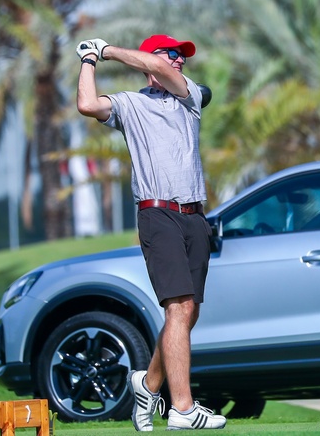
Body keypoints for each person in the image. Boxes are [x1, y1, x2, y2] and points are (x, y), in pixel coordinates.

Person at [75, 34, 225, 431]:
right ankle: (182, 409)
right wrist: (89, 60)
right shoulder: (130, 104)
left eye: (182, 56)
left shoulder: (189, 96)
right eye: (172, 54)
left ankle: (148, 384)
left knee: (188, 313)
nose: (179, 61)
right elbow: (87, 104)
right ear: (149, 57)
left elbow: (157, 67)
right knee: (178, 308)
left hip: (194, 217)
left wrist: (106, 50)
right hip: (157, 215)